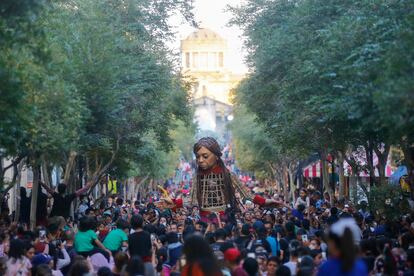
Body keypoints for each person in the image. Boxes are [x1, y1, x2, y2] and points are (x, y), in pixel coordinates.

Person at [161, 137, 283, 223]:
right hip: (205, 222)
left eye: (205, 156)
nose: (200, 160)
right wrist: (172, 203)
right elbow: (192, 200)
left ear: (216, 155)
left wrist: (265, 201)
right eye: (198, 157)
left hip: (226, 221)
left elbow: (247, 195)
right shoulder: (197, 177)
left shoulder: (228, 175)